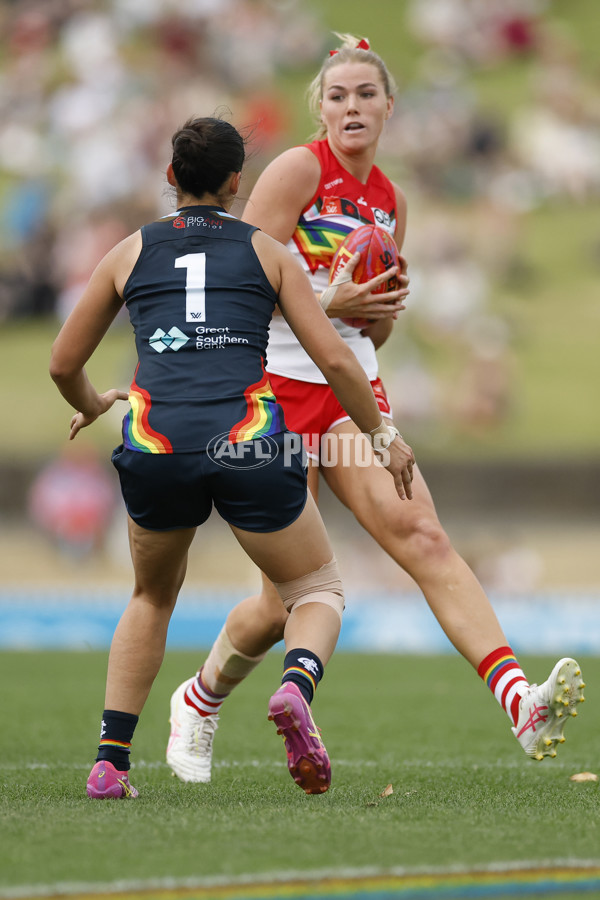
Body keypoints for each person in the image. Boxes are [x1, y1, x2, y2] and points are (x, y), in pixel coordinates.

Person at [166, 35, 585, 784]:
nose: (351, 106)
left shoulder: (390, 199)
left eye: (365, 95)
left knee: (422, 534)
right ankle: (198, 701)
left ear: (390, 106)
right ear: (319, 109)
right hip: (274, 392)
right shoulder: (298, 169)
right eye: (337, 96)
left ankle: (521, 702)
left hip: (350, 394)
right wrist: (333, 298)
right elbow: (238, 278)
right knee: (278, 602)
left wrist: (384, 304)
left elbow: (373, 326)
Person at [49, 115, 416, 799]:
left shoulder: (129, 251)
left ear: (169, 179)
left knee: (151, 595)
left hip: (156, 443)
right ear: (237, 182)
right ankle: (295, 686)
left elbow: (63, 361)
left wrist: (96, 400)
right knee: (316, 590)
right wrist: (383, 436)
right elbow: (334, 357)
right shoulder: (267, 252)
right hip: (249, 441)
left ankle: (110, 762)